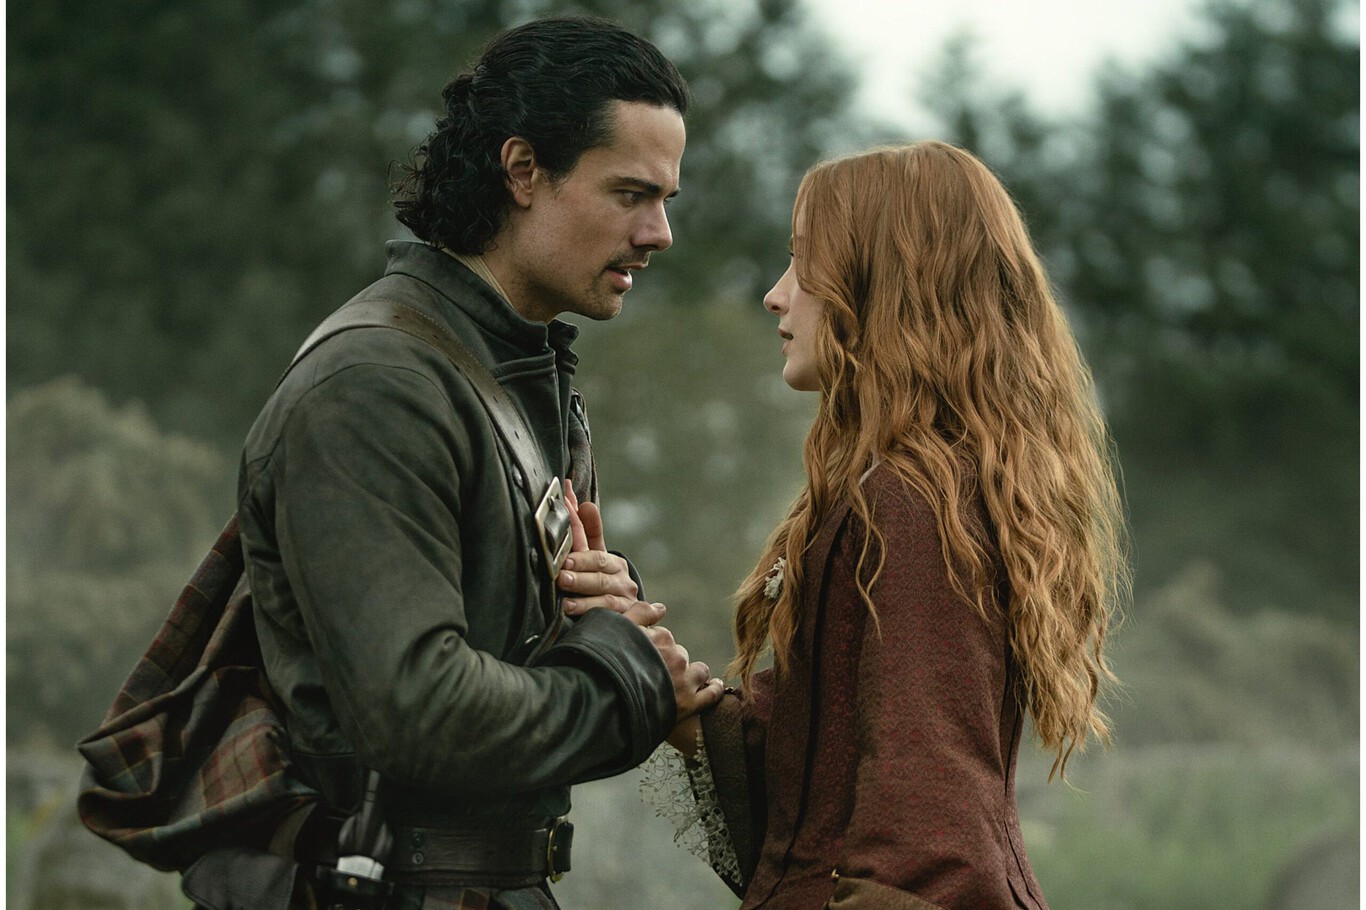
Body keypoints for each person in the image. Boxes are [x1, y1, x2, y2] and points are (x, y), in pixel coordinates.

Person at [234, 16, 722, 910]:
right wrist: (626, 676)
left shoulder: (522, 373)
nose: (659, 233)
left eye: (666, 200)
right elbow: (418, 713)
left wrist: (599, 622)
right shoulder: (377, 386)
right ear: (523, 170)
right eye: (630, 193)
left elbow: (517, 673)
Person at [641, 142, 1130, 910]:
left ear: (887, 284)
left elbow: (930, 838)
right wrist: (676, 702)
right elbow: (815, 801)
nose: (775, 296)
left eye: (805, 263)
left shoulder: (914, 505)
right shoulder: (898, 492)